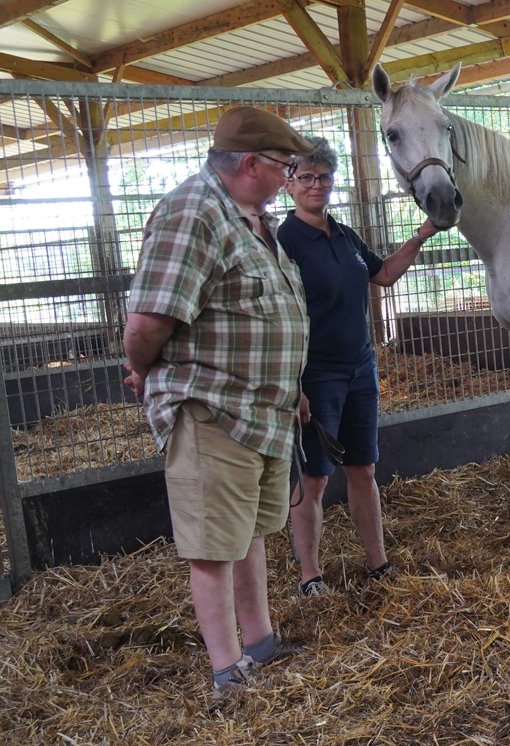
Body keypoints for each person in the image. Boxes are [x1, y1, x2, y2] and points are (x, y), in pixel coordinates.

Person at [122, 106, 314, 700]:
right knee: (212, 546)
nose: (290, 176)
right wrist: (142, 369)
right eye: (285, 165)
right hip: (212, 406)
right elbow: (147, 321)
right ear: (250, 163)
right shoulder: (195, 212)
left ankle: (260, 641)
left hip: (262, 410)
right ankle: (228, 671)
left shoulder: (252, 218)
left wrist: (292, 388)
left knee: (247, 533)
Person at [278, 137, 438, 597]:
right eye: (306, 177)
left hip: (360, 367)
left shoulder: (344, 235)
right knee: (313, 477)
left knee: (363, 469)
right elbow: (280, 315)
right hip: (316, 373)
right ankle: (310, 576)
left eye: (324, 177)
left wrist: (422, 234)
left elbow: (382, 274)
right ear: (289, 184)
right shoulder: (284, 241)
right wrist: (294, 383)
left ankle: (377, 562)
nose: (316, 185)